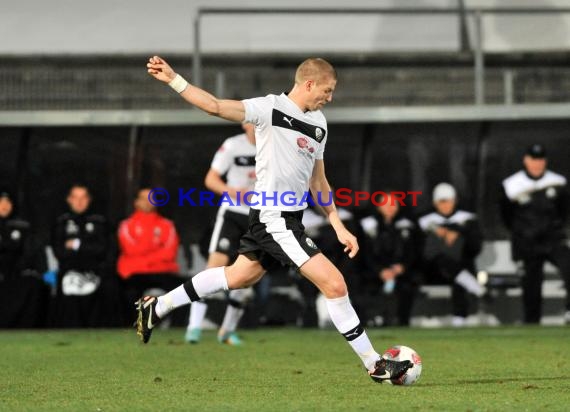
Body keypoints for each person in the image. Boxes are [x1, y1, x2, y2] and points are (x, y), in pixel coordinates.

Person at [136, 55, 413, 383]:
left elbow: (319, 182)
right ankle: (374, 364)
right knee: (335, 283)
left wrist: (337, 224)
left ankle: (158, 307)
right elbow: (214, 105)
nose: (330, 97)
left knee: (238, 277)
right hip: (273, 217)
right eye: (327, 89)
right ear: (309, 83)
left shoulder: (319, 123)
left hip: (288, 219)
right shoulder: (269, 108)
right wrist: (173, 79)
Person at [185, 122, 256, 345]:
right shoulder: (233, 145)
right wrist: (234, 193)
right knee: (214, 268)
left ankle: (226, 331)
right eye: (253, 120)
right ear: (245, 124)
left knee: (247, 276)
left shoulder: (275, 146)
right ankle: (193, 327)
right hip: (233, 214)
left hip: (261, 216)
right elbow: (211, 179)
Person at [500, 144, 570, 324]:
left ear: (545, 161)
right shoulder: (511, 185)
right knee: (531, 285)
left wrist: (554, 229)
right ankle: (532, 324)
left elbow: (563, 211)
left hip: (553, 239)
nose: (537, 164)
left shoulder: (558, 182)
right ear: (526, 160)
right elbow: (506, 215)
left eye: (540, 160)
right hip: (527, 242)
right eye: (533, 159)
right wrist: (523, 232)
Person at [418, 183, 484, 327]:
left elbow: (475, 248)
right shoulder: (424, 221)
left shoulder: (467, 220)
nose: (446, 205)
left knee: (459, 272)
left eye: (449, 200)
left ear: (455, 200)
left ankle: (459, 319)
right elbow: (422, 250)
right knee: (446, 263)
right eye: (442, 201)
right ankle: (473, 287)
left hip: (460, 265)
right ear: (435, 203)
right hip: (433, 270)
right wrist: (440, 233)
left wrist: (459, 234)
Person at [118, 188, 183, 320]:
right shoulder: (126, 225)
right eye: (144, 198)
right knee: (123, 291)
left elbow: (169, 253)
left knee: (183, 291)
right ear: (136, 202)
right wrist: (154, 254)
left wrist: (144, 258)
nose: (148, 202)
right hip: (135, 273)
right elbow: (130, 250)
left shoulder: (167, 225)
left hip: (162, 272)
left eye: (151, 198)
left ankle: (176, 328)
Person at [52, 184, 112, 327]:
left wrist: (77, 245)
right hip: (70, 270)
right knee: (69, 284)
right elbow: (60, 252)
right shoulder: (61, 222)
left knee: (110, 286)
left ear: (89, 200)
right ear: (69, 199)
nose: (79, 202)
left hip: (95, 270)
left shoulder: (100, 221)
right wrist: (88, 247)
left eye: (83, 197)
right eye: (75, 197)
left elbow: (102, 250)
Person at [360, 192, 420, 326]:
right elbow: (365, 253)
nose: (390, 207)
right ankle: (373, 320)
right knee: (364, 285)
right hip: (374, 272)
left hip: (400, 272)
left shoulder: (407, 225)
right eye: (385, 204)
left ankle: (401, 322)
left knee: (408, 285)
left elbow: (413, 252)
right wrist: (380, 271)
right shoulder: (367, 225)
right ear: (378, 206)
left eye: (393, 203)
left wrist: (401, 267)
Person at [0, 189, 47, 327]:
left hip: (17, 274)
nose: (4, 205)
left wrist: (42, 271)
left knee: (32, 284)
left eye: (7, 201)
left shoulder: (22, 226)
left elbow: (32, 252)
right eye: (1, 201)